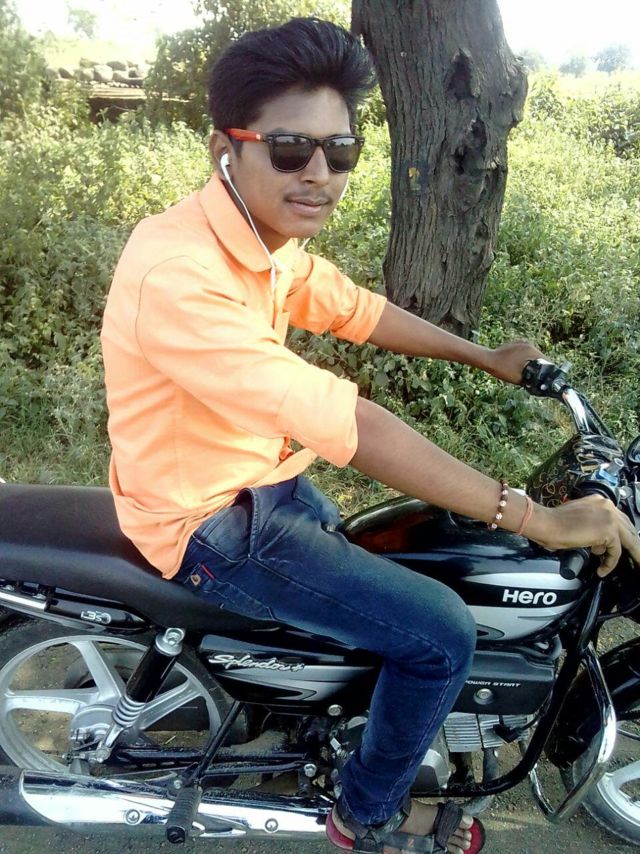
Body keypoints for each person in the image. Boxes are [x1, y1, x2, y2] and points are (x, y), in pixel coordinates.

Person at [100, 17, 640, 854]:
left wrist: (485, 357)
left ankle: (318, 719)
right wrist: (536, 516)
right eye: (289, 149)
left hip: (260, 480)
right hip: (211, 522)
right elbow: (345, 421)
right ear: (226, 149)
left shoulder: (254, 237)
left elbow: (352, 308)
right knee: (440, 632)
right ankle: (367, 813)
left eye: (340, 150)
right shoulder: (183, 275)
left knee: (406, 557)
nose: (319, 174)